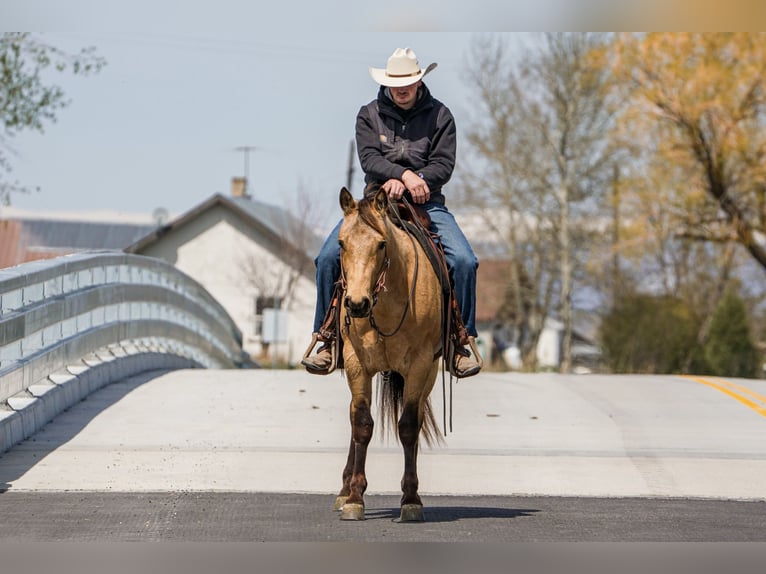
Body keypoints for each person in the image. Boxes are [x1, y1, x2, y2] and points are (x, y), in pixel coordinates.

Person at [302, 47, 481, 378]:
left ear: (419, 81)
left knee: (465, 261)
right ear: (386, 82)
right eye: (396, 82)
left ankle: (460, 340)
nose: (402, 88)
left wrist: (419, 179)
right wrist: (398, 175)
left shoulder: (441, 116)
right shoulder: (368, 115)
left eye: (409, 81)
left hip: (426, 204)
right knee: (327, 258)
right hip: (374, 203)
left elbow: (444, 163)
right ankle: (326, 337)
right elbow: (369, 158)